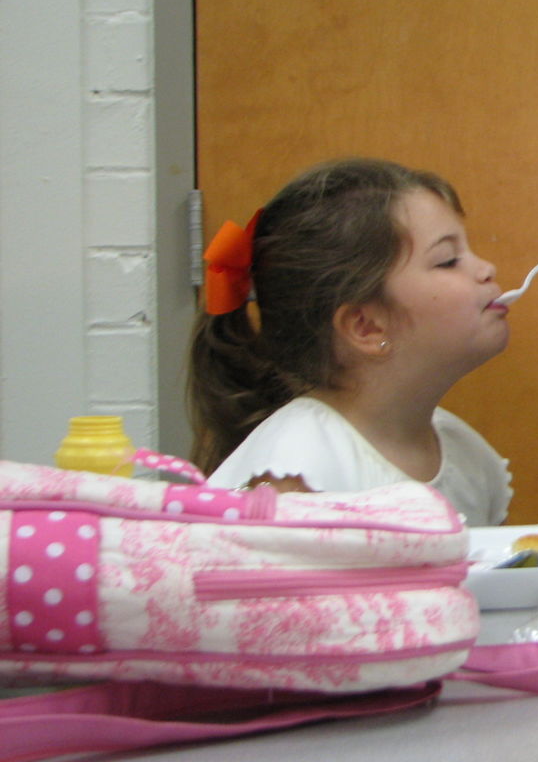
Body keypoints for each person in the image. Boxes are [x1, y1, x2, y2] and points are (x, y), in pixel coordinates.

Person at [190, 157, 512, 526]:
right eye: (448, 260)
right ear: (366, 326)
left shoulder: (466, 453)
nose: (487, 269)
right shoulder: (296, 472)